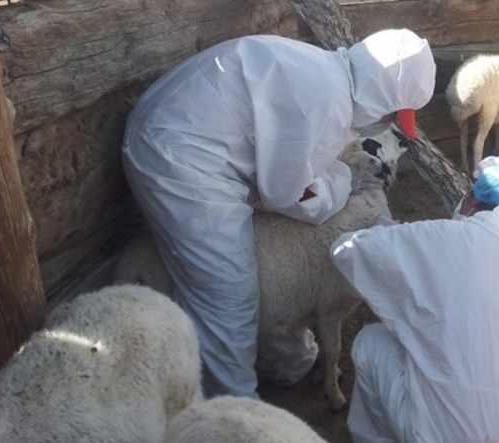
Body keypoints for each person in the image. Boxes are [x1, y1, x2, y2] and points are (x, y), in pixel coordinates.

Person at [121, 29, 436, 398]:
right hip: (183, 161)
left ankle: (282, 365)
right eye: (390, 113)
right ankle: (234, 411)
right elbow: (288, 193)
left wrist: (334, 175)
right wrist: (344, 181)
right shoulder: (326, 105)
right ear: (380, 97)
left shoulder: (322, 70)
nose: (385, 122)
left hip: (172, 132)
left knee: (235, 282)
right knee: (229, 297)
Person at [330, 157, 499, 443]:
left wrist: (382, 231)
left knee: (370, 341)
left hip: (455, 436)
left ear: (472, 202)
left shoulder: (448, 235)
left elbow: (345, 251)